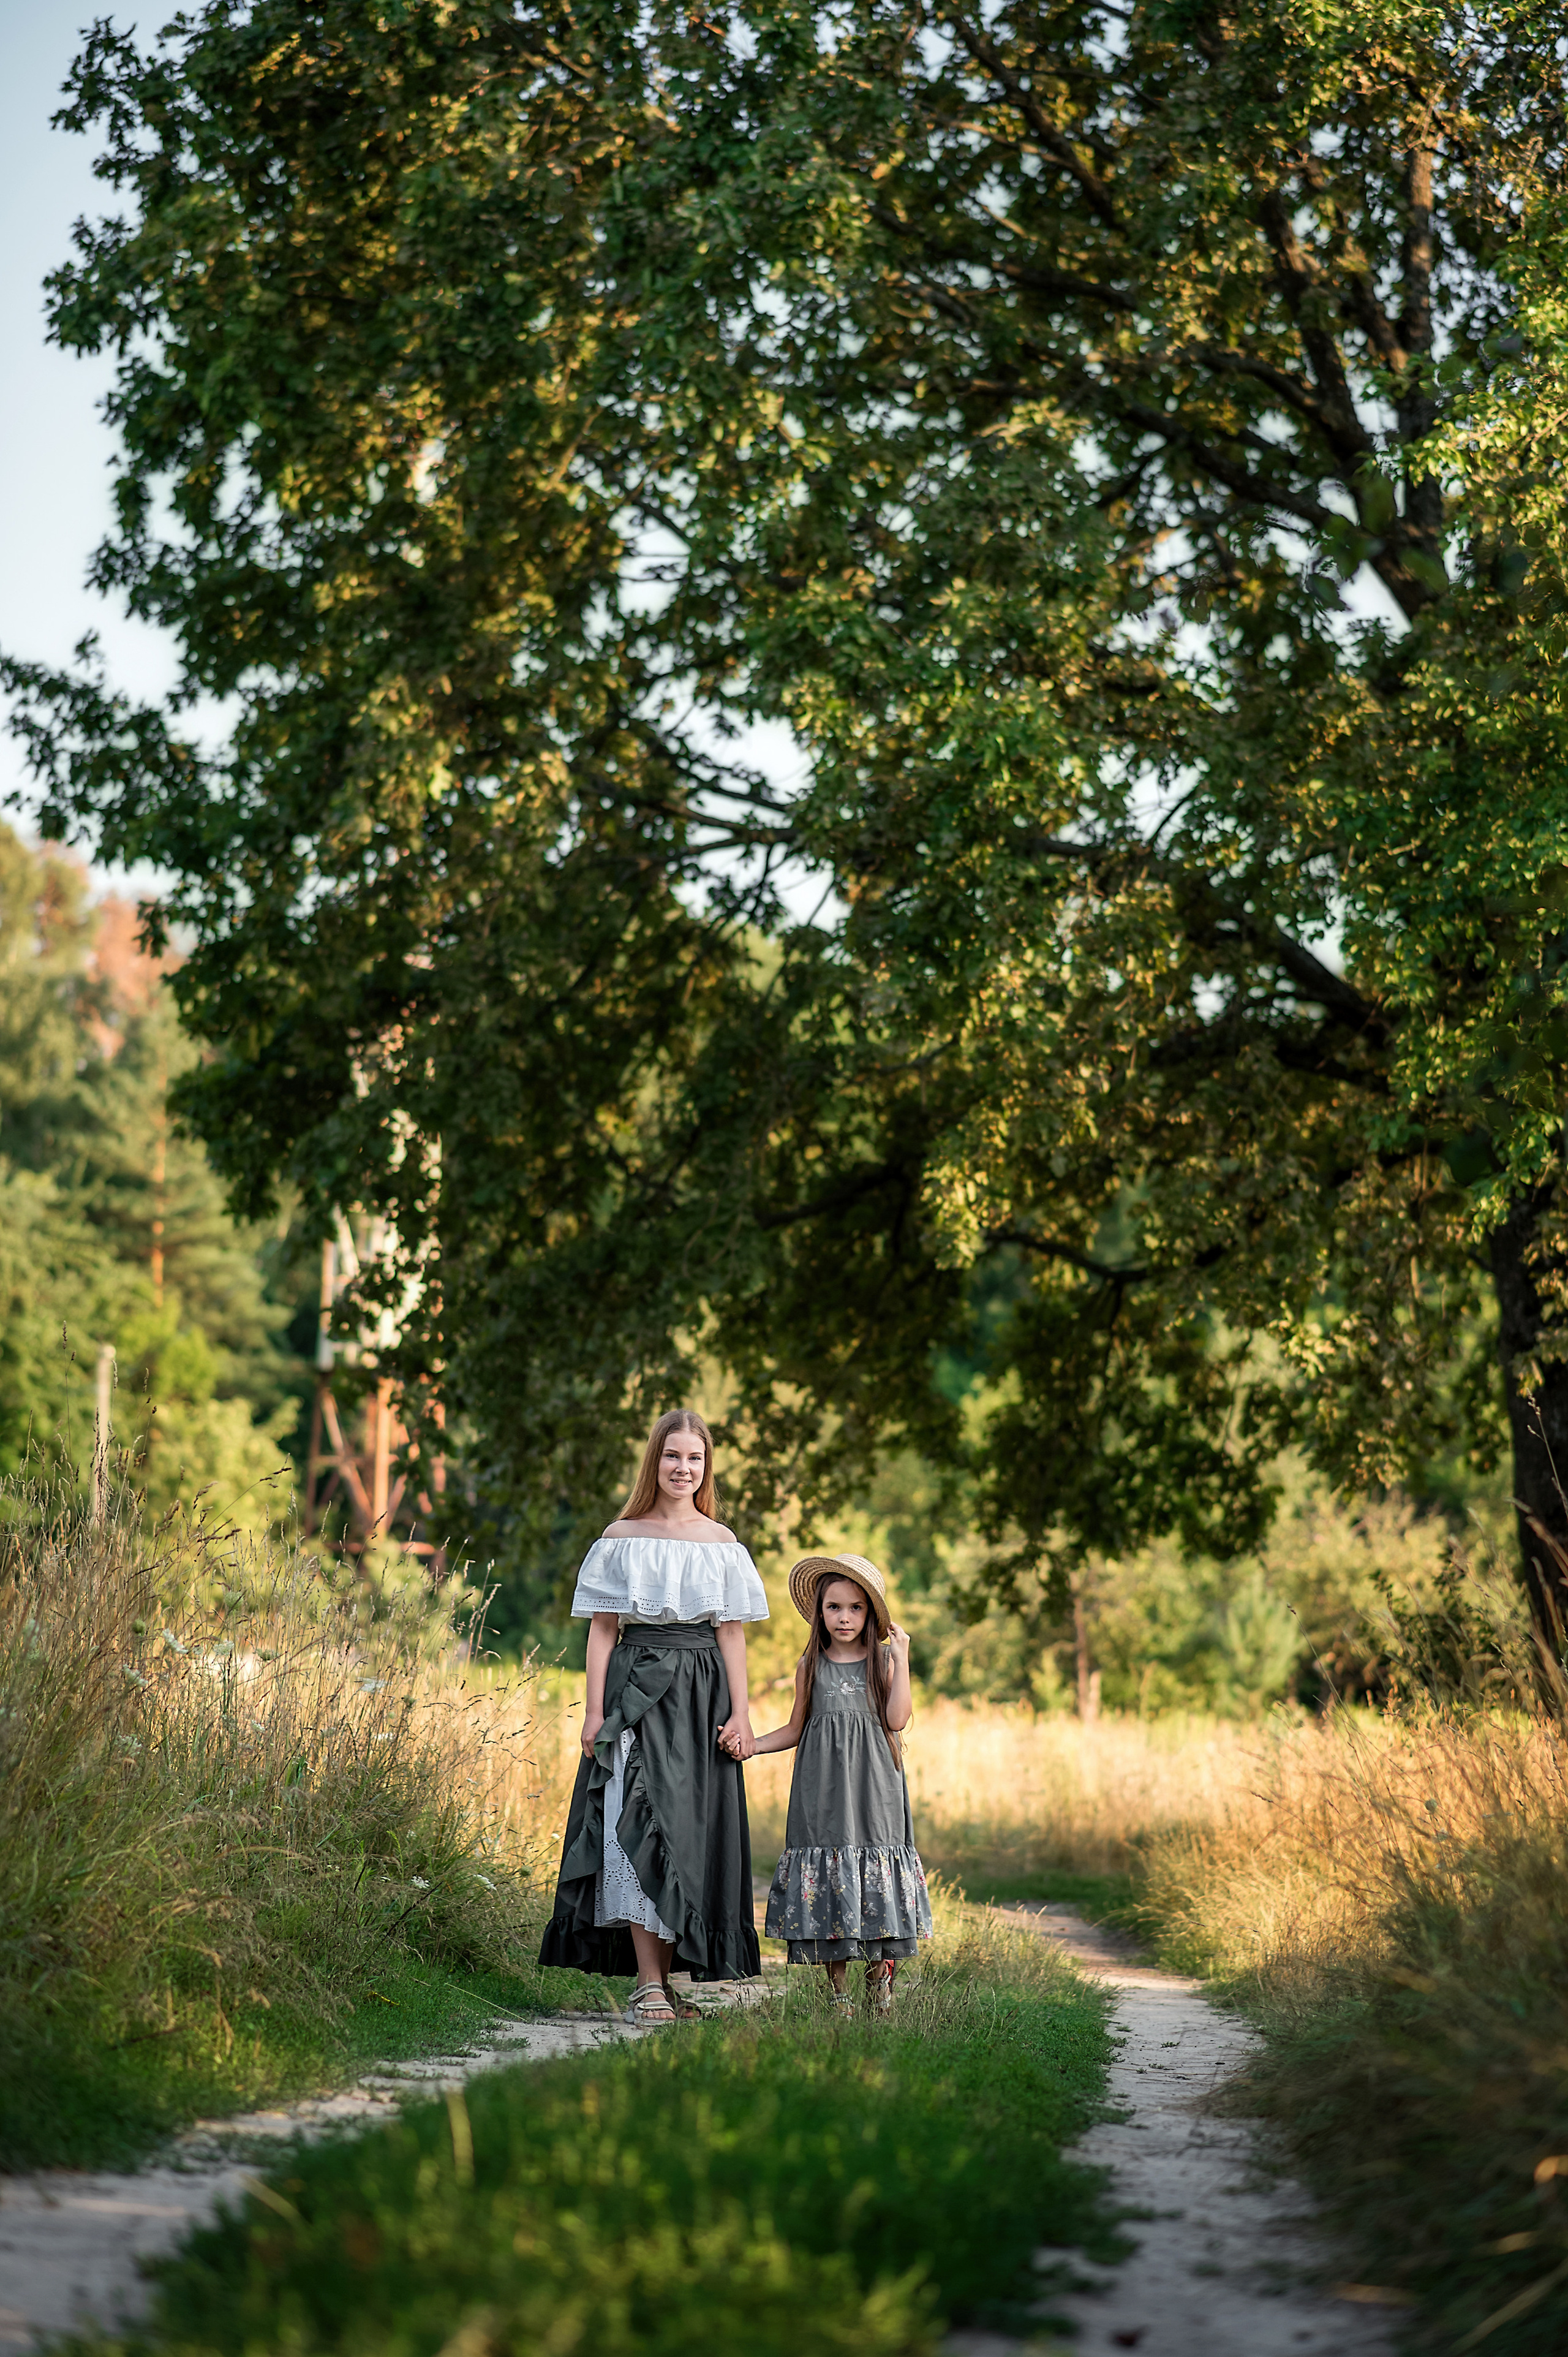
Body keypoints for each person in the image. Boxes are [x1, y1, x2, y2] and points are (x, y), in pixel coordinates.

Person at [538, 1409, 769, 2026]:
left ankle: (665, 1980)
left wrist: (741, 1713)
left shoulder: (722, 1543)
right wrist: (593, 1711)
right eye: (672, 1456)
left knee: (688, 1831)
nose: (682, 1468)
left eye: (694, 1458)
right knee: (637, 1815)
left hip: (702, 1694)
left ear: (706, 1467)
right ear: (655, 1462)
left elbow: (733, 1637)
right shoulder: (621, 1536)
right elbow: (603, 1631)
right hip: (636, 1689)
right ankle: (647, 1984)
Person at [748, 1550, 932, 2016]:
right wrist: (751, 1744)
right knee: (833, 1873)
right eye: (834, 1607)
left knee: (873, 1872)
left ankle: (881, 1987)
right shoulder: (811, 1664)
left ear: (870, 1612)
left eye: (855, 1607)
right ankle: (840, 1996)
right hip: (823, 1792)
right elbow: (794, 1728)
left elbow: (897, 1718)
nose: (844, 1617)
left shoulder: (884, 1661)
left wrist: (903, 1656)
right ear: (819, 1611)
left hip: (875, 1791)